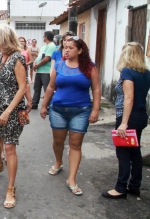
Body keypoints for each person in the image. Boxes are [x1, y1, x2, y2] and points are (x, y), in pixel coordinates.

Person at [40, 36, 100, 196]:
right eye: (65, 47)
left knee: (75, 145)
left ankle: (71, 178)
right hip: (58, 109)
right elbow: (51, 87)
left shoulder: (90, 67)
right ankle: (58, 162)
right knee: (58, 142)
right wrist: (44, 105)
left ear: (80, 50)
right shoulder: (59, 65)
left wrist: (95, 109)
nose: (66, 50)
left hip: (81, 111)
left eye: (70, 47)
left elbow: (96, 89)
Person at [0, 24, 29, 209]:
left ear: (4, 39)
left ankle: (10, 188)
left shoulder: (17, 58)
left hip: (13, 110)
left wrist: (8, 110)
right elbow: (3, 82)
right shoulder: (1, 56)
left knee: (9, 147)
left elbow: (22, 87)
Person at [101, 42, 150, 199]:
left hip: (129, 116)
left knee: (123, 153)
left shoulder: (127, 72)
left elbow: (129, 98)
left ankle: (120, 188)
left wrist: (123, 122)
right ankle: (134, 185)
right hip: (141, 115)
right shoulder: (146, 72)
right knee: (135, 151)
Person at [31, 31, 57, 109]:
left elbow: (47, 58)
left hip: (46, 71)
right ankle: (34, 103)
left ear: (46, 37)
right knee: (36, 88)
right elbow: (39, 57)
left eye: (44, 36)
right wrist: (35, 64)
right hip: (39, 70)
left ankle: (48, 105)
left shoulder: (52, 46)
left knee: (47, 89)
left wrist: (37, 65)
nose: (43, 38)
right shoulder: (43, 47)